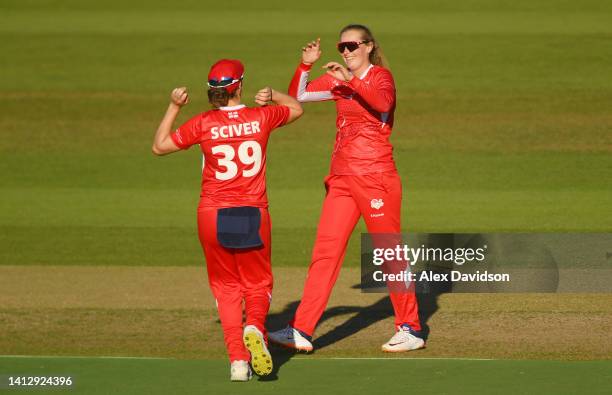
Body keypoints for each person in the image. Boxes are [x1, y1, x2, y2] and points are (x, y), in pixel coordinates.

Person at [268, 24, 424, 353]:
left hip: (375, 176)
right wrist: (306, 65)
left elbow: (382, 101)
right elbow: (300, 95)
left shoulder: (381, 76)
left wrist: (349, 80)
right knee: (325, 253)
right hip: (341, 178)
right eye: (342, 47)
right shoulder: (340, 79)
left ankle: (410, 328)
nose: (347, 52)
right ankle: (301, 330)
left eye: (353, 45)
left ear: (368, 46)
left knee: (387, 251)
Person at [152, 59, 303, 381]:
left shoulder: (203, 122)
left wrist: (174, 106)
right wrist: (274, 93)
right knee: (258, 283)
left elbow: (159, 146)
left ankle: (237, 361)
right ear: (240, 86)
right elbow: (297, 109)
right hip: (251, 211)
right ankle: (255, 328)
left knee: (226, 288)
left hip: (212, 214)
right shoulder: (261, 117)